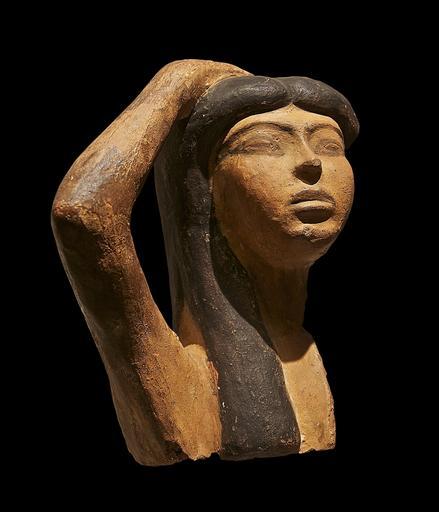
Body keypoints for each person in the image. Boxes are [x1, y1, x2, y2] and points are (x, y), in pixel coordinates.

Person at [52, 59, 359, 466]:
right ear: (206, 190)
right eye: (265, 143)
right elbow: (84, 213)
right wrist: (174, 84)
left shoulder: (302, 348)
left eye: (329, 145)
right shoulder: (189, 378)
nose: (311, 162)